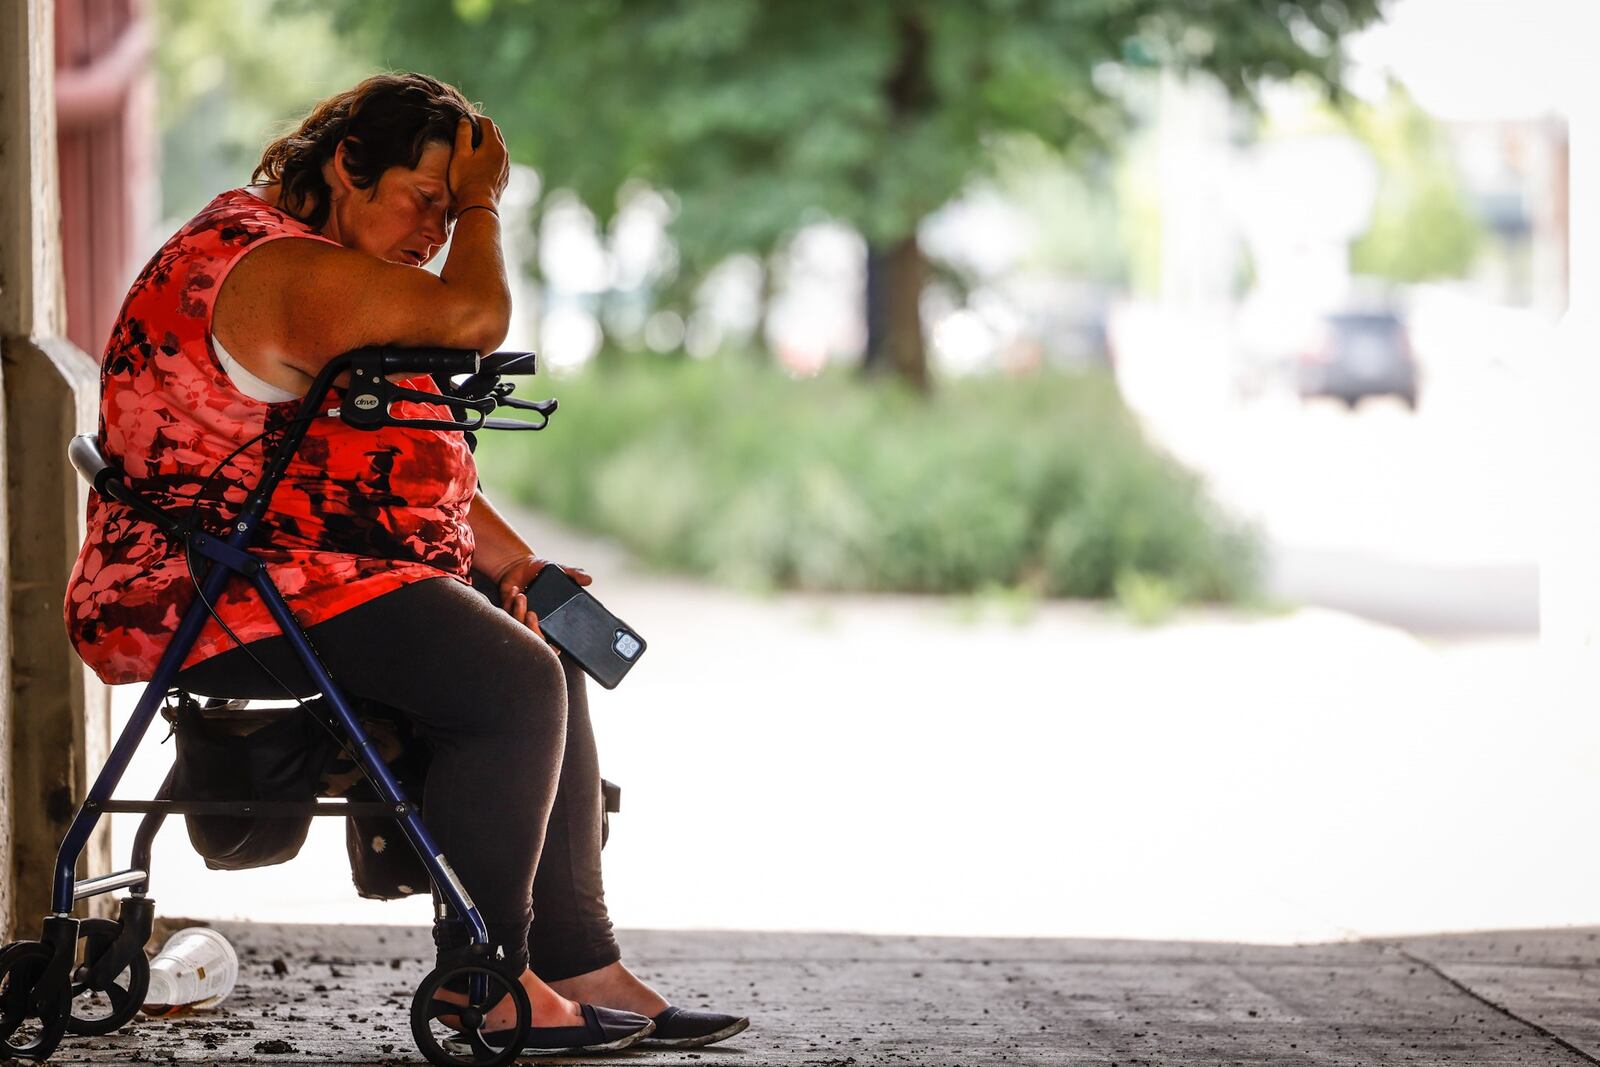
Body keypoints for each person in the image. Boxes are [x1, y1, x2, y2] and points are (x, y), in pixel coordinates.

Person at [62, 72, 747, 1054]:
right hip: (206, 593)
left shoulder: (319, 268)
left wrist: (517, 566)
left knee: (539, 644)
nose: (435, 231)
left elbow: (379, 459)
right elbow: (474, 316)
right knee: (506, 679)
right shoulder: (274, 267)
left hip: (297, 571)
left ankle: (578, 961)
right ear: (346, 165)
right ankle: (487, 981)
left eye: (447, 208)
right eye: (423, 200)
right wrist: (482, 205)